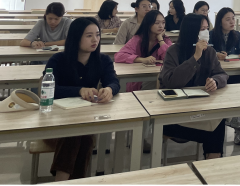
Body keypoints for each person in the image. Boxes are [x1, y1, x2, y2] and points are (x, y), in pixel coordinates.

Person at [44, 17, 119, 181]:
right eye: (89, 36)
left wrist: (109, 89)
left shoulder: (103, 60)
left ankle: (62, 180)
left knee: (81, 133)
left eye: (97, 35)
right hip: (54, 123)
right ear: (76, 37)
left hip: (84, 119)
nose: (95, 40)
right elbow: (49, 90)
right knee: (77, 133)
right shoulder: (58, 60)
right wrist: (79, 90)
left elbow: (114, 82)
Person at [159, 13, 228, 160]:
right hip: (175, 113)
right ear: (191, 31)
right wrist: (195, 57)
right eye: (202, 29)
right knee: (214, 131)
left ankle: (213, 160)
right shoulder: (173, 51)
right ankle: (213, 159)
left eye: (207, 28)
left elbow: (222, 74)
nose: (206, 32)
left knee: (218, 121)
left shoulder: (210, 52)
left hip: (200, 109)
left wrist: (215, 81)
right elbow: (171, 82)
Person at [209, 7, 240, 144]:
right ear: (220, 21)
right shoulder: (211, 35)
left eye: (233, 18)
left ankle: (238, 125)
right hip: (217, 74)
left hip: (234, 72)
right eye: (228, 19)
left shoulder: (237, 35)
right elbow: (205, 49)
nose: (232, 22)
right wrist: (215, 54)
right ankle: (231, 119)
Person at [115, 10, 173, 91]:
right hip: (139, 77)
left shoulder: (165, 40)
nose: (161, 26)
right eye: (157, 23)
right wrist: (142, 59)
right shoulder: (138, 39)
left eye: (163, 23)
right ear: (148, 24)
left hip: (158, 75)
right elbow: (119, 56)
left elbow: (170, 58)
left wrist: (160, 39)